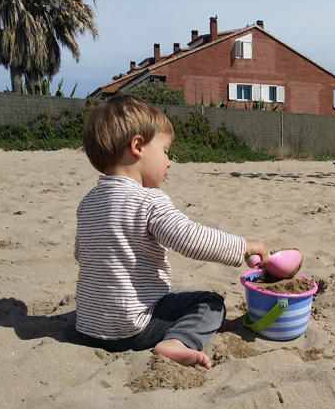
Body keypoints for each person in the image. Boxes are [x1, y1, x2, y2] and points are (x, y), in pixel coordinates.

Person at [74, 94, 268, 369]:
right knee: (210, 303)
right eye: (165, 151)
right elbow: (191, 239)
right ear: (138, 146)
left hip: (87, 328)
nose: (169, 161)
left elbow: (81, 255)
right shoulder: (149, 200)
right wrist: (243, 247)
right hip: (133, 329)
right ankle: (177, 341)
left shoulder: (88, 202)